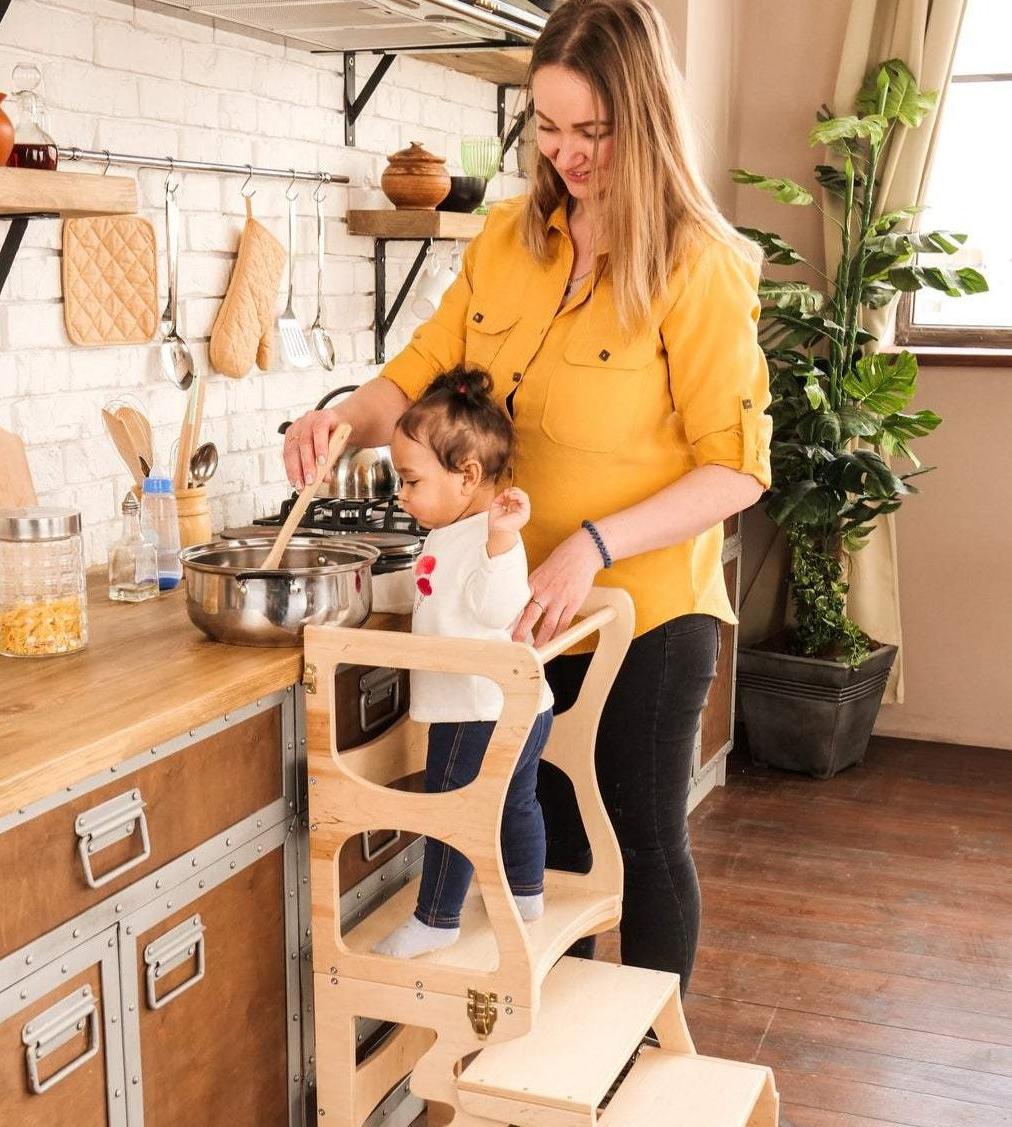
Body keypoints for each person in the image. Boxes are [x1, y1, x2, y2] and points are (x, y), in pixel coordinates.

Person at [282, 0, 771, 992]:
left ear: (643, 118)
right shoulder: (509, 238)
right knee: (539, 848)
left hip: (641, 614)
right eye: (547, 127)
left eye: (592, 130)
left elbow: (735, 469)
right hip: (514, 616)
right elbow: (413, 375)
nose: (566, 153)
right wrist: (340, 417)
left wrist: (590, 541)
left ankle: (641, 1060)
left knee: (636, 839)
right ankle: (552, 1054)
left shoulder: (697, 264)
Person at [372, 365, 555, 960]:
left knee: (452, 816)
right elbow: (428, 589)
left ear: (467, 476)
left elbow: (498, 606)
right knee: (514, 803)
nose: (402, 495)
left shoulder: (491, 535)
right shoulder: (451, 532)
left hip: (478, 712)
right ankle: (526, 895)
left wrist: (504, 543)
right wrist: (364, 598)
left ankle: (436, 920)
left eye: (411, 481)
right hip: (516, 706)